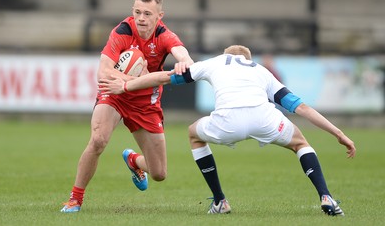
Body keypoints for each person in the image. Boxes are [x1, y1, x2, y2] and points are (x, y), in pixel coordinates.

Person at [98, 45, 356, 216]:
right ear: (248, 58)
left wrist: (126, 87)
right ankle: (326, 197)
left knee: (193, 133)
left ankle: (220, 201)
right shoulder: (261, 71)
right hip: (263, 117)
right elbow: (301, 108)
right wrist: (338, 134)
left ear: (226, 54)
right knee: (300, 143)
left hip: (227, 121)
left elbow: (165, 77)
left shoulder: (213, 62)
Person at [60, 0, 194, 213]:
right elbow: (103, 73)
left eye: (147, 14)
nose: (141, 18)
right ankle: (75, 199)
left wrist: (184, 62)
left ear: (159, 16)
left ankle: (133, 161)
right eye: (137, 12)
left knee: (159, 173)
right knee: (98, 140)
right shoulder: (122, 31)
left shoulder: (164, 36)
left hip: (145, 103)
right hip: (114, 93)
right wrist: (127, 82)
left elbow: (183, 54)